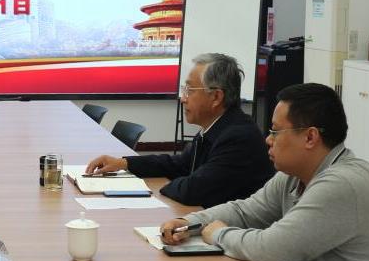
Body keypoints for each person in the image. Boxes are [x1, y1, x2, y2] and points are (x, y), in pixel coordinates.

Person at [159, 83, 369, 261]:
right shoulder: (296, 173)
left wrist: (218, 234)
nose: (268, 140)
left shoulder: (341, 184)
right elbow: (246, 211)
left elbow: (270, 248)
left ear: (310, 137)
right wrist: (190, 222)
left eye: (275, 132)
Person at [86, 52, 273, 207]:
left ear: (216, 97)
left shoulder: (239, 138)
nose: (183, 98)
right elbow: (179, 165)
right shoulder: (216, 127)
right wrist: (124, 163)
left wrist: (158, 187)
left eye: (190, 90)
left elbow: (194, 191)